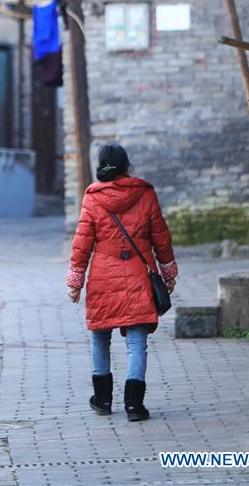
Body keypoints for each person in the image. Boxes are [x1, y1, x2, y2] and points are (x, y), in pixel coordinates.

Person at [66, 143, 178, 421]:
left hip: (103, 274)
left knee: (100, 336)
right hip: (140, 273)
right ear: (127, 165)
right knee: (137, 341)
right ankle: (134, 405)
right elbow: (160, 236)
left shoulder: (92, 198)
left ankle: (103, 399)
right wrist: (168, 271)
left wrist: (75, 280)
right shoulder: (145, 194)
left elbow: (82, 242)